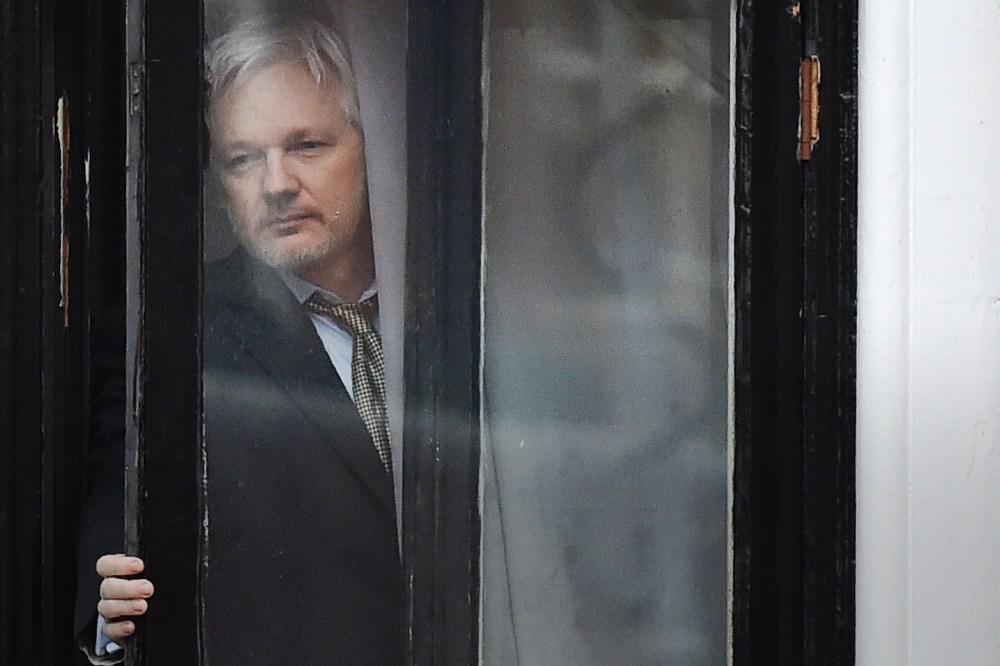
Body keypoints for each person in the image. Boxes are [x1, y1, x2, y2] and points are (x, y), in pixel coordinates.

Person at [76, 16, 401, 664]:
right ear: (221, 186)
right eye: (244, 158)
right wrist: (109, 600)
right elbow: (124, 492)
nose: (276, 184)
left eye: (306, 145)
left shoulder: (458, 305)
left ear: (374, 149)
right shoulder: (174, 335)